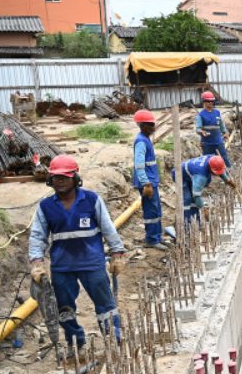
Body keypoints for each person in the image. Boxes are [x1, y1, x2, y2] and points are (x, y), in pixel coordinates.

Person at [29, 155, 126, 350]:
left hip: (92, 263)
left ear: (75, 178)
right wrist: (37, 262)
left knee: (105, 305)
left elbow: (108, 228)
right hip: (62, 267)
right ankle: (75, 342)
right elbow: (37, 236)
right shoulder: (45, 207)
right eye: (56, 177)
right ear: (50, 179)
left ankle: (113, 339)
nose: (60, 181)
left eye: (65, 177)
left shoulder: (91, 200)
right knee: (65, 309)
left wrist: (117, 253)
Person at [132, 109, 167, 251]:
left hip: (151, 181)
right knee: (151, 211)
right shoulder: (141, 141)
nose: (154, 128)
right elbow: (139, 165)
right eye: (151, 125)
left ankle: (157, 236)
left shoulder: (146, 139)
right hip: (147, 182)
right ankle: (151, 239)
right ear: (143, 125)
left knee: (156, 209)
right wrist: (146, 183)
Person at [176, 154, 236, 224]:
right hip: (180, 175)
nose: (217, 174)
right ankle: (185, 223)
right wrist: (203, 209)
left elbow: (219, 169)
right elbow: (197, 195)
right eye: (215, 173)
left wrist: (227, 181)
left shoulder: (213, 159)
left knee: (194, 201)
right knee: (187, 199)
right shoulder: (201, 176)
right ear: (210, 168)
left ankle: (196, 221)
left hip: (190, 174)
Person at [195, 91, 230, 167]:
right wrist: (202, 132)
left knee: (223, 157)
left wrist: (225, 132)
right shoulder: (200, 115)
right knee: (207, 160)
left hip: (218, 141)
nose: (210, 103)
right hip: (207, 143)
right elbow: (198, 129)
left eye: (212, 101)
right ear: (204, 102)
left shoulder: (217, 113)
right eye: (208, 101)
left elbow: (221, 125)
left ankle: (227, 171)